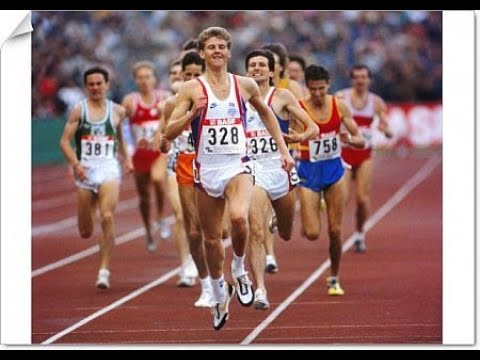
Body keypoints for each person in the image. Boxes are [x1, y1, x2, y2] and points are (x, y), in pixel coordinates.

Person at [165, 27, 295, 330]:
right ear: (202, 52)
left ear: (229, 51)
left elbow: (267, 116)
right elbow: (168, 132)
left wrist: (283, 150)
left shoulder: (245, 85)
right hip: (206, 169)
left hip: (238, 165)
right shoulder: (191, 90)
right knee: (211, 240)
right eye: (211, 47)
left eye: (222, 46)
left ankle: (239, 269)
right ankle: (219, 290)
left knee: (239, 219)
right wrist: (190, 116)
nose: (217, 51)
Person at [244, 49, 318, 310]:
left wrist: (299, 138)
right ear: (246, 71)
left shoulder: (283, 96)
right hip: (252, 170)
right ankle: (260, 289)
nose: (257, 68)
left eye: (262, 65)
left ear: (272, 72)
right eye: (252, 65)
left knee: (285, 232)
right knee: (255, 230)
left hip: (280, 169)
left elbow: (313, 127)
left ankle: (277, 220)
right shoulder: (238, 98)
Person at [59, 66, 133, 289]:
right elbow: (64, 142)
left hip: (109, 169)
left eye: (99, 83)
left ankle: (104, 271)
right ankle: (88, 214)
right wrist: (76, 164)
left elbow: (120, 137)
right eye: (91, 84)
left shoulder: (118, 111)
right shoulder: (79, 111)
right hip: (86, 170)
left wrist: (127, 159)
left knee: (108, 216)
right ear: (86, 87)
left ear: (107, 85)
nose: (95, 88)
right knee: (85, 231)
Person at [297, 65, 365, 296]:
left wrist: (350, 139)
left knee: (335, 230)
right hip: (308, 172)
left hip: (335, 171)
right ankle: (310, 208)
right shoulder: (300, 107)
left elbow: (360, 140)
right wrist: (297, 139)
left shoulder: (339, 105)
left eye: (321, 89)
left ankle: (334, 278)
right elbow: (288, 137)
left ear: (328, 86)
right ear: (307, 87)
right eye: (313, 89)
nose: (317, 94)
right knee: (313, 232)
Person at [157, 51, 210, 300]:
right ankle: (187, 264)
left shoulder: (216, 100)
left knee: (217, 230)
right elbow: (163, 136)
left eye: (195, 75)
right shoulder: (171, 104)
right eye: (185, 75)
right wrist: (164, 143)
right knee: (181, 216)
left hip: (209, 165)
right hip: (178, 164)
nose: (189, 79)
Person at [335, 65, 393, 253]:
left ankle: (359, 234)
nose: (360, 80)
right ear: (352, 79)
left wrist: (386, 130)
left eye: (364, 77)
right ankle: (335, 232)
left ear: (369, 80)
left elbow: (385, 125)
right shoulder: (341, 97)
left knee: (361, 199)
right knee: (341, 199)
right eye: (357, 77)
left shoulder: (376, 102)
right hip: (344, 153)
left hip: (364, 154)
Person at [121, 61, 171, 253]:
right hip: (139, 155)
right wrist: (127, 154)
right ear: (135, 80)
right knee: (143, 198)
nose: (144, 81)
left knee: (158, 180)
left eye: (148, 77)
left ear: (154, 79)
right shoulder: (130, 101)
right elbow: (121, 127)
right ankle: (149, 231)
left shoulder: (164, 97)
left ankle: (160, 217)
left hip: (158, 152)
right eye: (140, 77)